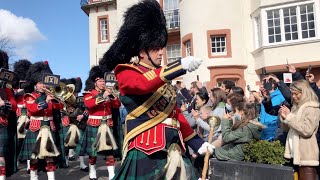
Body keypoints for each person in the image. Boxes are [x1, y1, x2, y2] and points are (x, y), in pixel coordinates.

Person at [99, 1, 214, 179]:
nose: (161, 52)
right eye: (156, 47)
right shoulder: (126, 71)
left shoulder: (161, 77)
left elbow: (174, 114)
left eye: (161, 47)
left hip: (173, 147)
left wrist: (197, 142)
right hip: (147, 149)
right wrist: (178, 66)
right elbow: (141, 84)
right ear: (142, 51)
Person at [19, 61, 64, 180]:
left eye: (44, 83)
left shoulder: (50, 95)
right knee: (34, 157)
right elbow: (32, 109)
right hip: (35, 127)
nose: (43, 85)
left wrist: (56, 98)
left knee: (50, 156)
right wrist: (46, 100)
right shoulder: (30, 96)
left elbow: (60, 107)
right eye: (40, 83)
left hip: (49, 127)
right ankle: (34, 177)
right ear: (35, 84)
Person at [79, 66, 121, 180]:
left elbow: (117, 105)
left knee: (109, 151)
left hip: (108, 124)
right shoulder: (89, 93)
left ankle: (111, 174)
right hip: (94, 124)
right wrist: (103, 95)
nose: (103, 82)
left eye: (104, 80)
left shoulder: (110, 92)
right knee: (93, 152)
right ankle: (92, 171)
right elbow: (89, 105)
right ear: (95, 82)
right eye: (100, 80)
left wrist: (113, 96)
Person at [279, 80, 320, 180]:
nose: (293, 96)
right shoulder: (295, 107)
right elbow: (288, 129)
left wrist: (289, 117)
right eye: (292, 93)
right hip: (293, 155)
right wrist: (284, 118)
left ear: (304, 92)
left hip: (306, 156)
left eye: (296, 94)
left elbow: (307, 130)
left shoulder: (312, 107)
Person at [0, 50, 18, 180]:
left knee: (1, 152)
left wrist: (6, 104)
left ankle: (2, 176)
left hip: (2, 121)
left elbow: (14, 104)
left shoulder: (6, 87)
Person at [13, 59, 32, 173]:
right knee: (17, 141)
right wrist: (17, 92)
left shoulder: (30, 89)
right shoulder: (14, 88)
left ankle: (29, 165)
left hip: (28, 115)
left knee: (28, 141)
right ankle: (16, 162)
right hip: (17, 116)